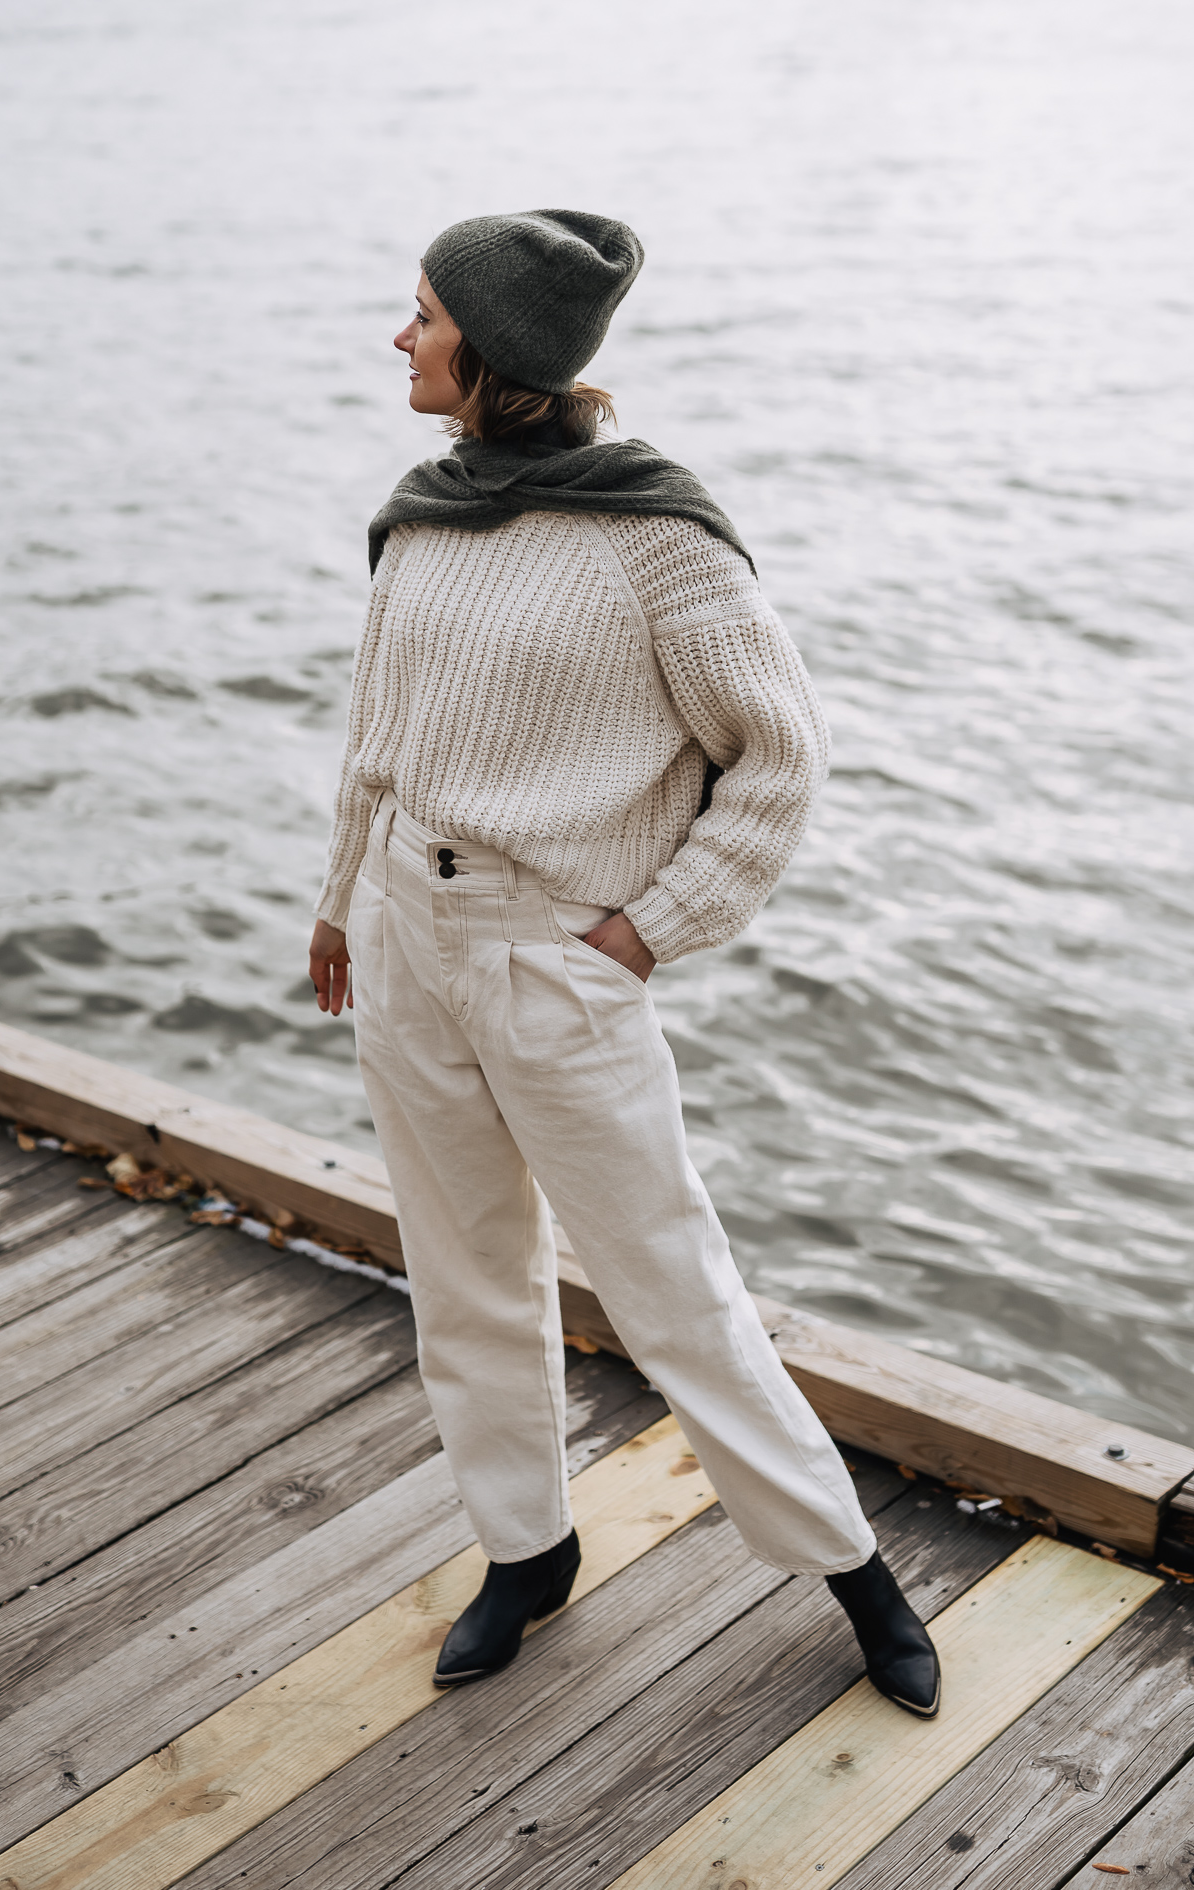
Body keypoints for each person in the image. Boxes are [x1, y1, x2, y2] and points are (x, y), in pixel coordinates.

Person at [308, 210, 940, 1718]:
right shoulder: (424, 508)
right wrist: (340, 899)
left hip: (558, 959)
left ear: (497, 350)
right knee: (461, 1276)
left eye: (424, 316)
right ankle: (525, 1550)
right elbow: (377, 737)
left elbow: (779, 759)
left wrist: (649, 929)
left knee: (674, 1290)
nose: (401, 338)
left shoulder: (656, 538)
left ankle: (853, 1568)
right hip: (406, 940)